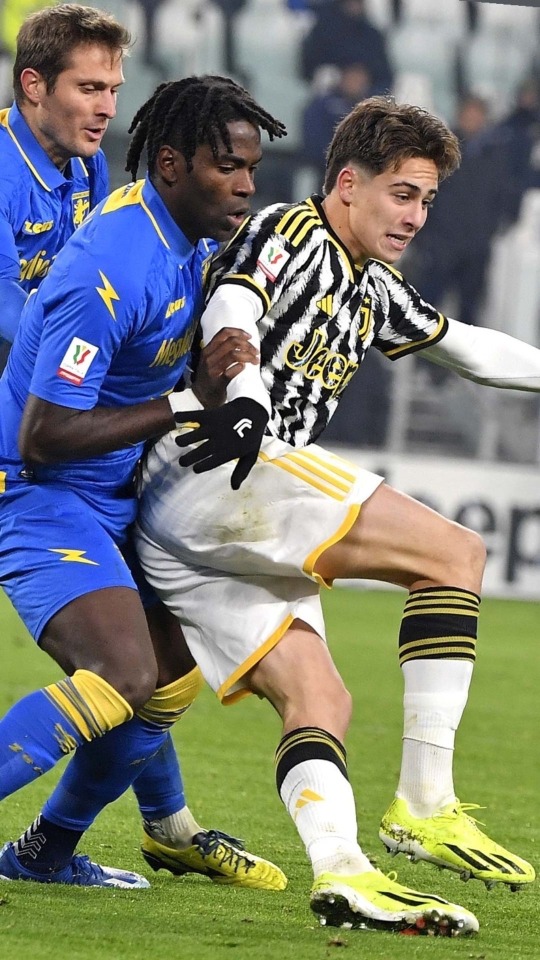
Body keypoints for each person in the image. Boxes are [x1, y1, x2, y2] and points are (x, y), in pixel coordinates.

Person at [134, 95, 538, 935]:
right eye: (402, 194)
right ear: (348, 183)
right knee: (455, 554)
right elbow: (233, 308)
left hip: (202, 524)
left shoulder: (375, 286)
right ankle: (425, 802)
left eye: (426, 200)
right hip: (223, 463)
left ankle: (344, 871)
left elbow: (468, 349)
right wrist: (246, 395)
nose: (415, 216)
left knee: (319, 697)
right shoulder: (289, 232)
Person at [0, 71, 287, 892]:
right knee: (123, 675)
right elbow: (45, 437)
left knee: (170, 671)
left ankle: (46, 854)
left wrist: (208, 377)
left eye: (251, 169)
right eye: (227, 167)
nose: (245, 186)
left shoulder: (190, 242)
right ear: (169, 164)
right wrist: (188, 400)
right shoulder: (112, 268)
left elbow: (153, 376)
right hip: (32, 489)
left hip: (110, 490)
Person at [300, 0, 394, 95]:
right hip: (330, 93)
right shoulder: (323, 33)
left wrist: (368, 88)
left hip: (367, 96)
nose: (354, 6)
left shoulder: (372, 35)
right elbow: (308, 69)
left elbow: (385, 76)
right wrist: (334, 78)